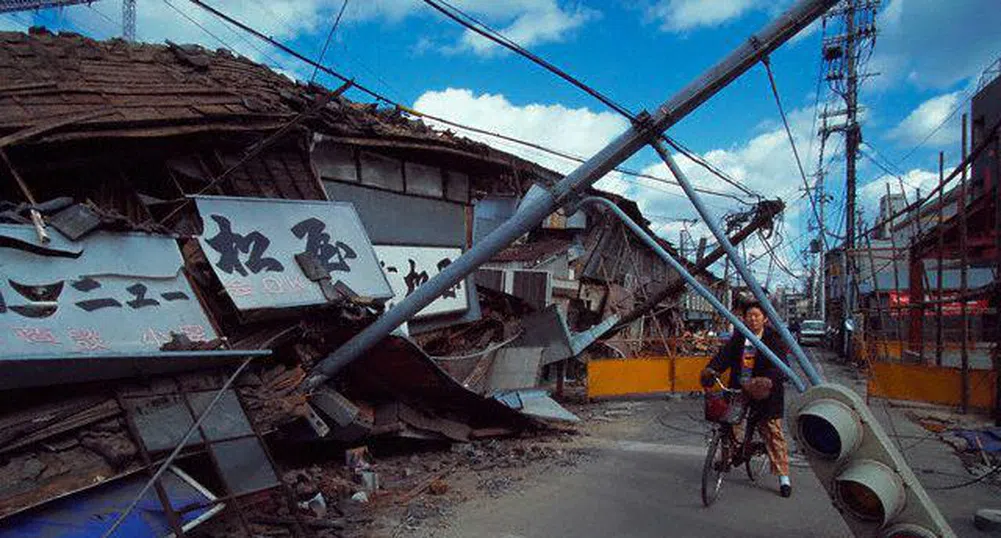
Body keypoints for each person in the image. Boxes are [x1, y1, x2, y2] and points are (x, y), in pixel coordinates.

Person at [699, 301, 793, 498]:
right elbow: (723, 357)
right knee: (729, 423)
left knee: (772, 430)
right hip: (740, 388)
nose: (752, 319)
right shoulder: (739, 336)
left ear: (765, 318)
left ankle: (783, 476)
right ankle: (727, 458)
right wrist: (712, 369)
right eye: (749, 315)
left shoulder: (774, 338)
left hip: (766, 391)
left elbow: (781, 366)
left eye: (756, 315)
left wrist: (767, 380)